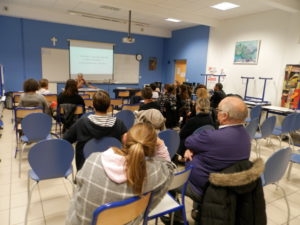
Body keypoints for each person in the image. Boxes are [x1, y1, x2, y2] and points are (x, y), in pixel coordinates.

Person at [161, 96, 251, 225]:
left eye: (218, 109)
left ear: (224, 116)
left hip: (203, 187)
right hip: (227, 188)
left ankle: (177, 218)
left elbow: (188, 141)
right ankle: (198, 212)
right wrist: (194, 150)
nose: (216, 112)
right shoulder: (246, 137)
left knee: (167, 181)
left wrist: (191, 149)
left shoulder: (211, 136)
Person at [66, 122, 174, 225]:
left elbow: (78, 189)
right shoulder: (154, 173)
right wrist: (160, 144)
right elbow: (169, 168)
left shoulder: (93, 160)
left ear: (125, 138)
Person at [63, 90, 127, 171]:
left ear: (93, 105)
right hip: (111, 170)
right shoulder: (119, 124)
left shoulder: (82, 122)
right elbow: (126, 144)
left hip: (86, 170)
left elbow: (65, 141)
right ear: (109, 106)